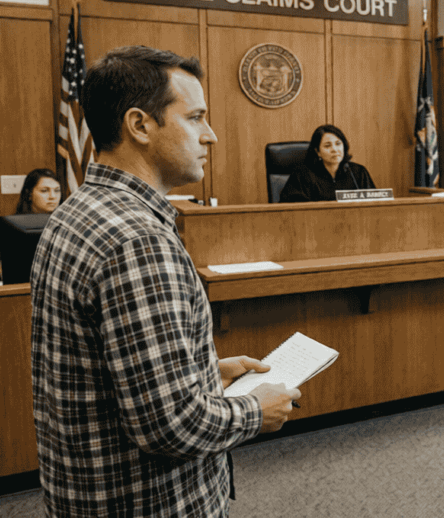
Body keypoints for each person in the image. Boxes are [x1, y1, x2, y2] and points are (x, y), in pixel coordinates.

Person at [30, 46, 301, 516]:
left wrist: (204, 373)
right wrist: (258, 410)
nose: (211, 135)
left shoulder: (77, 211)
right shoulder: (137, 240)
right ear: (139, 125)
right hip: (150, 501)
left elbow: (105, 371)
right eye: (195, 117)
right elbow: (169, 426)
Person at [0, 168, 62, 283]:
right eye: (44, 191)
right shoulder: (8, 229)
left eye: (57, 191)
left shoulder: (64, 227)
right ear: (29, 194)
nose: (53, 196)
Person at [279, 124, 376, 202]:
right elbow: (289, 210)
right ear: (318, 152)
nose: (334, 149)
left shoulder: (358, 172)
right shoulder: (302, 175)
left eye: (338, 144)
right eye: (327, 145)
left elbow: (375, 203)